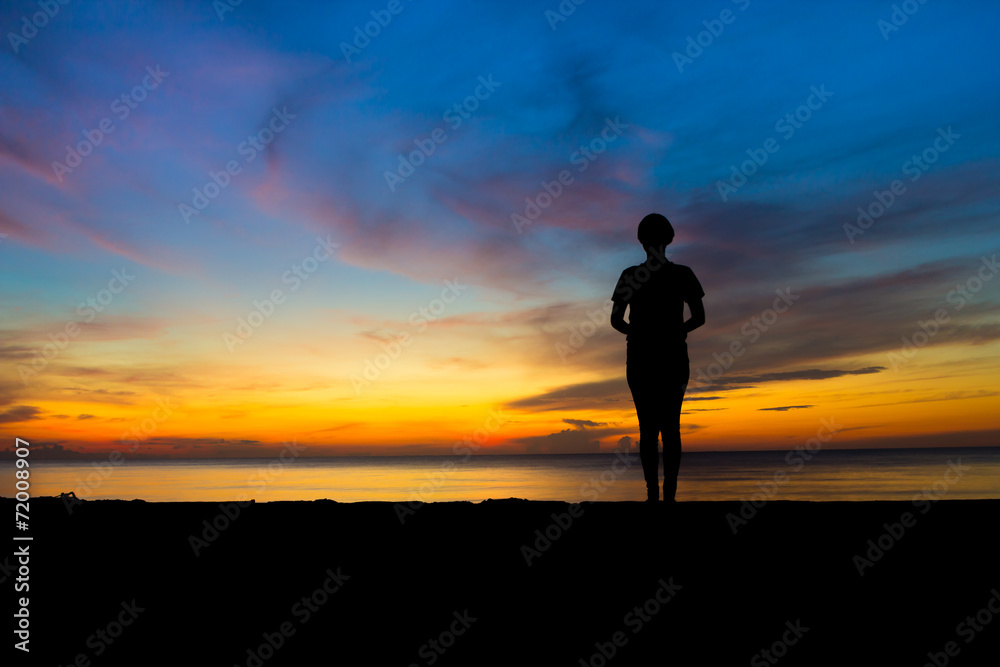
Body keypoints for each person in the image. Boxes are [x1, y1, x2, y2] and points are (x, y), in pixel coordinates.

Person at [611, 213, 705, 502]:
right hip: (673, 357)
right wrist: (678, 333)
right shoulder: (682, 274)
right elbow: (698, 318)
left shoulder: (630, 274)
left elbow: (616, 320)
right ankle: (668, 497)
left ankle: (654, 496)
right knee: (670, 427)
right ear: (670, 238)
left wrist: (636, 335)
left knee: (648, 429)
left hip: (641, 359)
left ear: (641, 241)